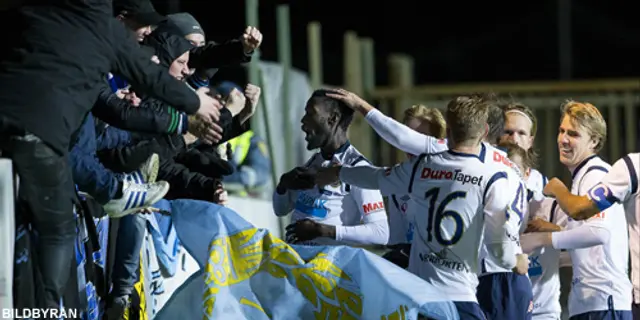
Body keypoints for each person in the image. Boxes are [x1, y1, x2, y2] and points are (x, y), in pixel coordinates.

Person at [0, 1, 220, 310]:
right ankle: (46, 309)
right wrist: (193, 107)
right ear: (122, 17)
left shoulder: (36, 12)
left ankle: (115, 191)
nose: (147, 33)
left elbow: (115, 110)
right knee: (57, 230)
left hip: (14, 126)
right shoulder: (100, 25)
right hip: (39, 135)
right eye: (143, 25)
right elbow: (146, 79)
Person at [316, 92, 524, 319]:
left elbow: (376, 176)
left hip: (421, 296)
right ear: (484, 131)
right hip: (462, 293)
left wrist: (337, 172)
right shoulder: (495, 174)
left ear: (448, 132)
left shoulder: (423, 167)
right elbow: (500, 251)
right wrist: (516, 260)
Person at [521, 101, 632, 320]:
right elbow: (588, 251)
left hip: (604, 304)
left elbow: (599, 232)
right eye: (561, 131)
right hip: (592, 304)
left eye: (573, 134)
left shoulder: (595, 175)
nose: (563, 139)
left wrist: (541, 239)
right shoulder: (583, 176)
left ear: (594, 141)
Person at [272, 90, 389, 246]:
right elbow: (280, 210)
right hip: (297, 263)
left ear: (332, 119)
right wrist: (283, 185)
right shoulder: (314, 161)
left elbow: (381, 232)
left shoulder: (358, 168)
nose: (303, 121)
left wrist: (321, 230)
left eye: (310, 113)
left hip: (329, 266)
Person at [383, 104, 446, 269]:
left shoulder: (454, 176)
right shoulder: (396, 178)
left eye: (420, 138)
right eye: (408, 136)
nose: (412, 144)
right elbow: (398, 241)